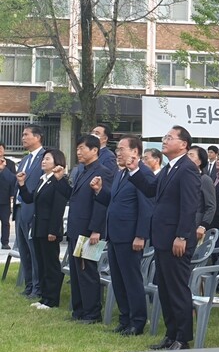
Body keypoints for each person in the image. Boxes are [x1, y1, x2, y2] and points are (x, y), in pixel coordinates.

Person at [127, 126, 200, 350]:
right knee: (166, 289)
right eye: (164, 137)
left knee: (177, 289)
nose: (164, 140)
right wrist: (134, 170)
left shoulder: (187, 169)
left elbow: (189, 207)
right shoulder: (170, 169)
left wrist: (181, 236)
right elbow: (150, 189)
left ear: (183, 144)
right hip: (162, 239)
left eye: (169, 138)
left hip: (176, 240)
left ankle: (183, 338)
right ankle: (171, 334)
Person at [91, 135, 153, 336]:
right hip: (115, 235)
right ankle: (124, 319)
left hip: (130, 236)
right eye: (117, 149)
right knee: (118, 280)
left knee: (131, 280)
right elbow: (115, 201)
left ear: (135, 152)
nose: (118, 152)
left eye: (122, 149)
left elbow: (146, 207)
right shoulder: (120, 173)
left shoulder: (143, 173)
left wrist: (141, 235)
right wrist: (100, 191)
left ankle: (137, 322)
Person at [55, 135, 113, 323]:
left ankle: (92, 312)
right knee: (76, 271)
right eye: (77, 148)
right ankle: (78, 311)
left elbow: (102, 202)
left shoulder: (103, 171)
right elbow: (73, 196)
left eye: (82, 148)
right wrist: (60, 179)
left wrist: (96, 229)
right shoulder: (81, 170)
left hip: (89, 231)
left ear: (94, 150)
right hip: (75, 228)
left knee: (87, 271)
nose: (78, 152)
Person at [14, 149, 67, 309]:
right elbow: (30, 199)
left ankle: (52, 300)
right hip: (37, 228)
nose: (43, 161)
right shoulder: (42, 179)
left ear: (57, 162)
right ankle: (44, 297)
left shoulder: (57, 181)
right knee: (41, 263)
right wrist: (22, 185)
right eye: (43, 159)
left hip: (49, 230)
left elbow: (58, 208)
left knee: (51, 264)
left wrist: (53, 231)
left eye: (48, 159)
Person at [13, 125, 46, 298]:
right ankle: (29, 286)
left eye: (26, 134)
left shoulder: (45, 157)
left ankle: (38, 288)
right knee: (24, 251)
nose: (23, 138)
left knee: (34, 251)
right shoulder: (25, 159)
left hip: (33, 211)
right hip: (19, 209)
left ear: (38, 137)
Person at [187, 145, 216, 241]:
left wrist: (203, 225)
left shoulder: (205, 179)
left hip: (196, 225)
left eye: (191, 155)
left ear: (200, 161)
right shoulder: (183, 177)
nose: (187, 158)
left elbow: (211, 206)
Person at [0, 141, 16, 249]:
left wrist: (12, 194)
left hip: (4, 197)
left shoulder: (10, 163)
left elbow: (13, 180)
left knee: (5, 222)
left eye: (1, 148)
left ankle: (5, 242)